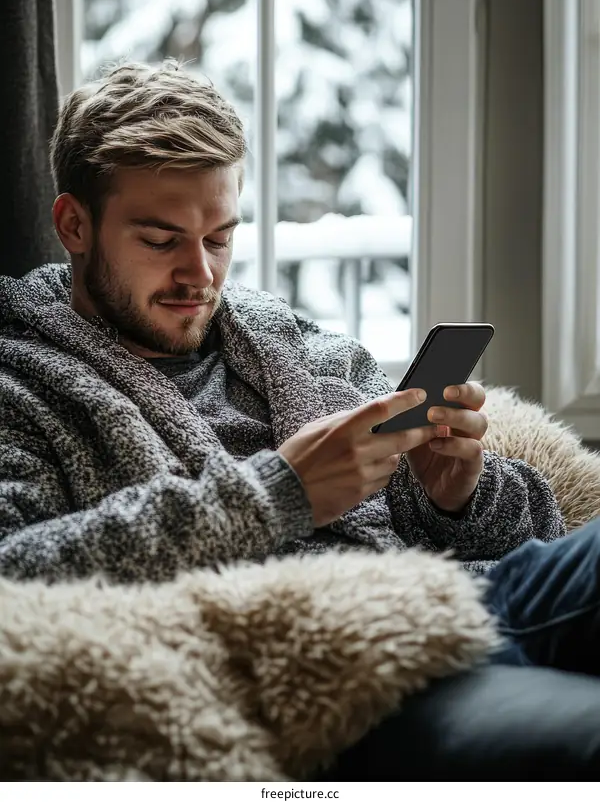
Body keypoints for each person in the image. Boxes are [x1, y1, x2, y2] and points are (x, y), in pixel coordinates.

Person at [1, 59, 600, 778]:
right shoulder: (22, 385)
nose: (202, 274)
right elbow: (17, 570)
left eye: (219, 237)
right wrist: (275, 493)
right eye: (161, 240)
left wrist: (456, 495)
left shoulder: (287, 342)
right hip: (327, 671)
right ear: (74, 223)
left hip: (465, 595)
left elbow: (534, 529)